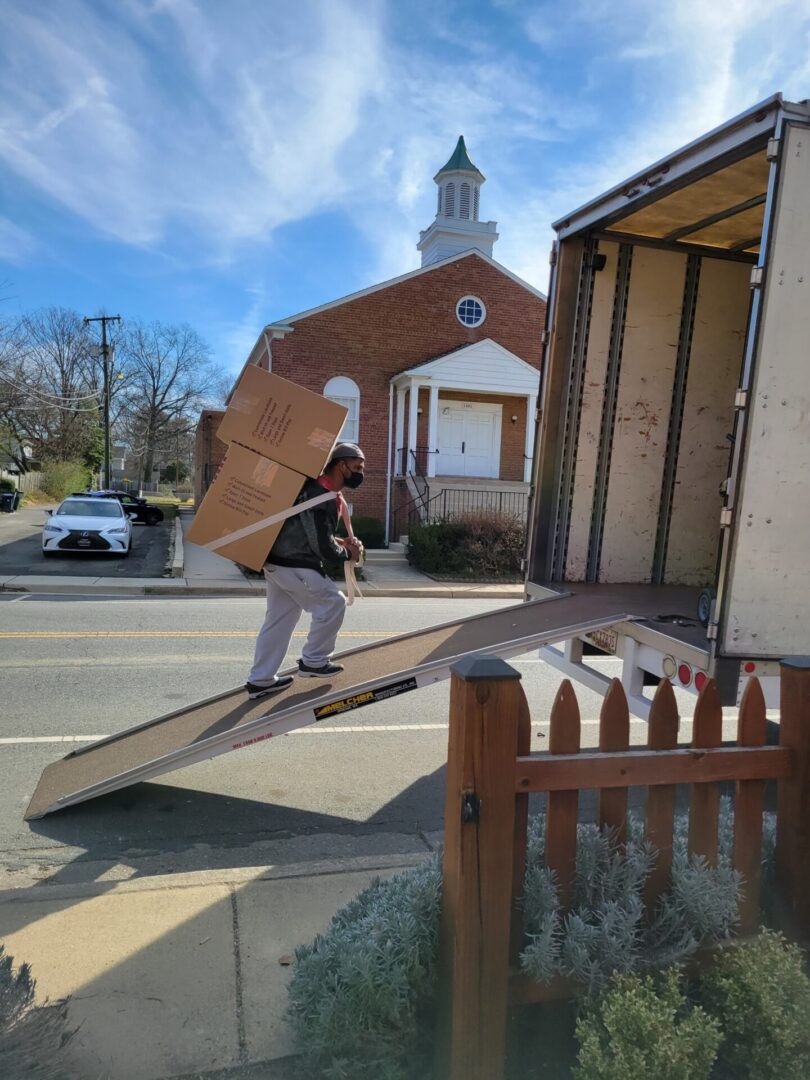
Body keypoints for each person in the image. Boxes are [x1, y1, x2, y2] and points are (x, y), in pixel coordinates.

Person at [245, 442, 365, 699]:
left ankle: (260, 680)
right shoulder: (319, 494)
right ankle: (314, 661)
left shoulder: (318, 492)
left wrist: (341, 542)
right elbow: (321, 545)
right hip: (296, 563)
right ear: (341, 465)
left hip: (278, 562)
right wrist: (347, 553)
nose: (360, 473)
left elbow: (313, 532)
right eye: (357, 466)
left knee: (279, 620)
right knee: (334, 603)